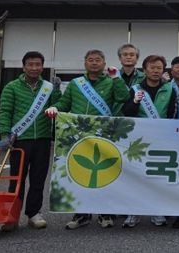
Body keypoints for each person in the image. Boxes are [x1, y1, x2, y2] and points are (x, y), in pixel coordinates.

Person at [45, 49, 129, 230]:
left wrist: (117, 78)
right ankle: (81, 214)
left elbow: (124, 97)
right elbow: (64, 104)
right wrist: (55, 107)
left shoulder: (111, 81)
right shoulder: (76, 84)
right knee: (80, 174)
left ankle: (105, 213)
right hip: (79, 135)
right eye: (90, 60)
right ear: (85, 63)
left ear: (104, 63)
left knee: (106, 175)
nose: (94, 63)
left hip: (104, 135)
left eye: (98, 60)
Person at [0, 51, 62, 231]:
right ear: (24, 67)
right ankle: (12, 216)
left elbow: (57, 107)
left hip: (42, 139)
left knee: (38, 179)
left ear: (42, 67)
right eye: (30, 64)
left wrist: (57, 91)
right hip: (20, 140)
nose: (34, 68)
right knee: (16, 180)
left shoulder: (48, 87)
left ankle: (34, 214)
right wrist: (4, 134)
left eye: (38, 64)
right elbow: (5, 111)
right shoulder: (12, 87)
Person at [121, 55, 177, 228]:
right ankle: (134, 211)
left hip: (161, 138)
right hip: (138, 139)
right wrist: (135, 101)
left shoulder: (169, 89)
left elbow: (173, 114)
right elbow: (127, 112)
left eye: (159, 68)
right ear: (144, 70)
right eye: (152, 68)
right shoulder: (135, 89)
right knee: (136, 175)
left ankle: (157, 210)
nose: (155, 71)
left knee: (158, 175)